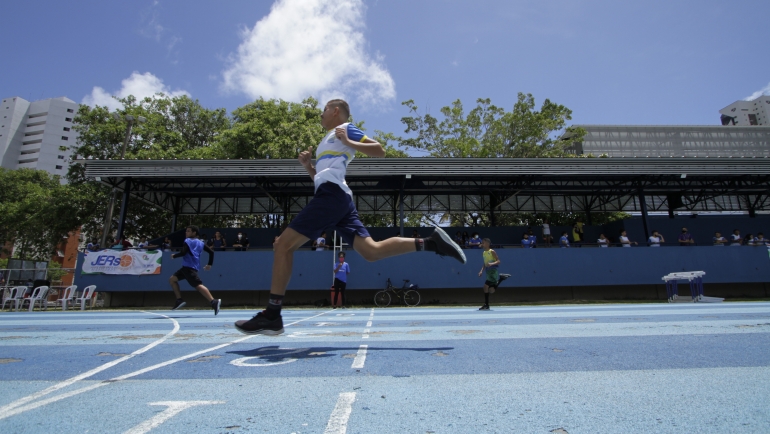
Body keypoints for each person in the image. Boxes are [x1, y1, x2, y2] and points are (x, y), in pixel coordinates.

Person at [234, 99, 465, 335]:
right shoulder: (326, 141)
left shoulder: (345, 129)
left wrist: (348, 141)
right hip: (337, 197)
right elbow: (323, 176)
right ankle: (430, 243)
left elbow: (380, 151)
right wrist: (308, 167)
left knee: (282, 246)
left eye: (324, 110)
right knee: (371, 251)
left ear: (336, 112)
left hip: (332, 197)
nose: (321, 115)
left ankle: (272, 315)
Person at [169, 225, 220, 315]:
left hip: (189, 268)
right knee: (172, 279)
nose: (186, 232)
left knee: (198, 286)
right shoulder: (201, 243)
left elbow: (184, 252)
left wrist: (174, 256)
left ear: (194, 233)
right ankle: (179, 300)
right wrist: (209, 264)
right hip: (187, 268)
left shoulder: (187, 241)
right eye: (186, 231)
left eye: (188, 231)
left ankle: (213, 301)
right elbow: (211, 252)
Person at [477, 238, 500, 311]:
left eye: (483, 243)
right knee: (490, 290)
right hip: (488, 271)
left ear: (487, 243)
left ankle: (486, 305)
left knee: (486, 287)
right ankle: (500, 280)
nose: (482, 244)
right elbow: (485, 263)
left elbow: (498, 261)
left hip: (493, 271)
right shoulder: (484, 253)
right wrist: (481, 271)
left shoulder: (492, 251)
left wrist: (492, 263)